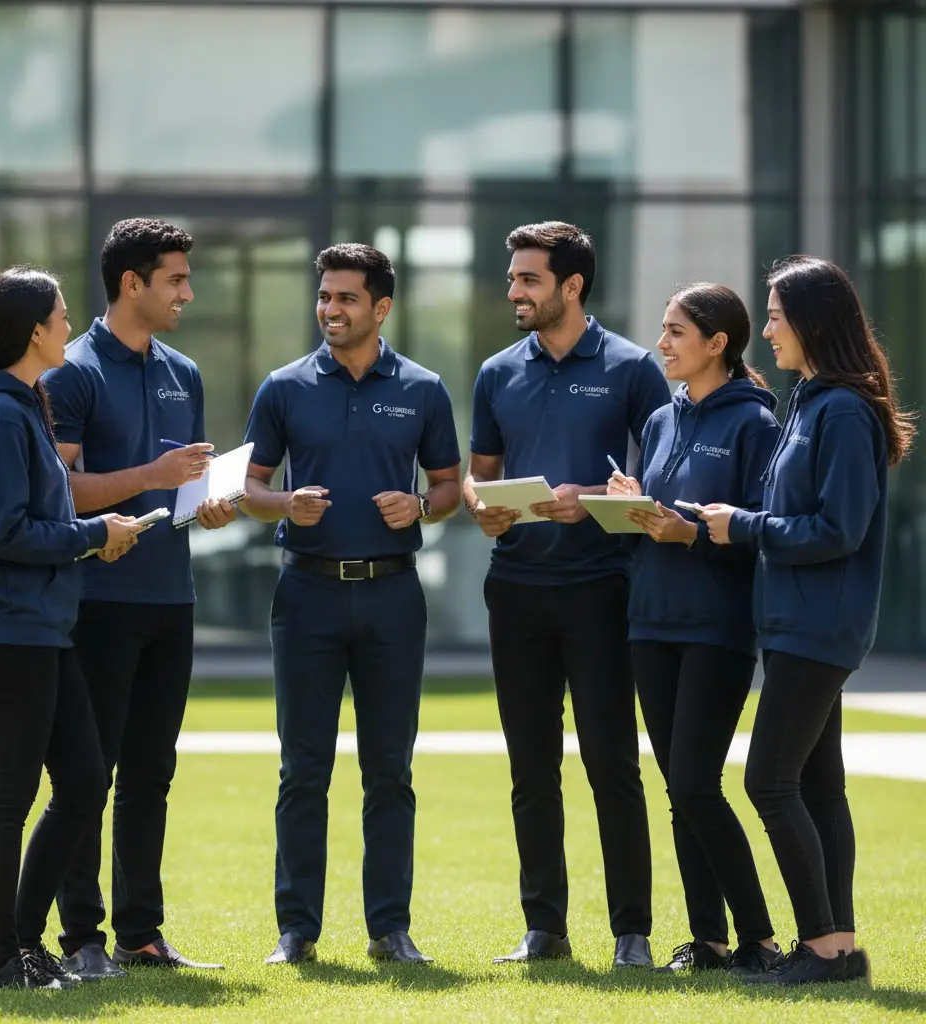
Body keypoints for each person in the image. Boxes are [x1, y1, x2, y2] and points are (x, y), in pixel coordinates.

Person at [242, 243, 462, 965]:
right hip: (305, 594)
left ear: (382, 307)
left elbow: (451, 487)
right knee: (303, 769)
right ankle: (296, 931)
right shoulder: (283, 387)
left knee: (390, 770)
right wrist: (286, 506)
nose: (330, 310)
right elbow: (251, 487)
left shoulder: (424, 389)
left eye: (346, 299)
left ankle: (389, 930)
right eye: (325, 297)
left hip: (395, 597)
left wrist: (423, 506)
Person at [700, 256, 915, 986]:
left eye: (777, 316)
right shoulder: (811, 401)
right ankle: (837, 947)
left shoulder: (845, 409)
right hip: (797, 624)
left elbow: (838, 529)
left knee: (769, 781)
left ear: (814, 323)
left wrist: (743, 527)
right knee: (819, 787)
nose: (766, 329)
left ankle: (822, 947)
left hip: (818, 627)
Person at [464, 221, 670, 967]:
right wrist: (480, 506)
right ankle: (544, 928)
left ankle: (632, 933)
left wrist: (600, 497)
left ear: (571, 286)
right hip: (515, 590)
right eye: (513, 277)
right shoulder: (496, 372)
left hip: (602, 590)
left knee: (611, 762)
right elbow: (478, 473)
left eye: (528, 279)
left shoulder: (633, 368)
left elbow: (664, 480)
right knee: (530, 768)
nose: (513, 290)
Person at [0, 268, 142, 989]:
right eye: (60, 317)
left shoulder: (25, 405)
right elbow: (4, 532)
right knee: (9, 798)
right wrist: (91, 535)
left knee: (85, 782)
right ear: (34, 330)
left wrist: (91, 533)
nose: (69, 326)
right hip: (9, 625)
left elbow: (33, 523)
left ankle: (23, 942)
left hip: (42, 626)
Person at [44, 219, 234, 980]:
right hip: (98, 600)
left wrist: (207, 501)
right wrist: (153, 475)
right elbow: (58, 489)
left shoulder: (183, 371)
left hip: (170, 598)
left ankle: (140, 933)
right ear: (132, 284)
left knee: (152, 772)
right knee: (90, 774)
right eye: (176, 280)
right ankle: (82, 939)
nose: (188, 292)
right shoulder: (73, 371)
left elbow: (181, 481)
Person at [605, 283, 783, 977]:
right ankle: (708, 941)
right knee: (679, 789)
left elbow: (762, 533)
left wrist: (690, 535)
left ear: (718, 343)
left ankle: (761, 941)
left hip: (717, 627)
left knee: (696, 783)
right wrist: (628, 514)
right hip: (650, 621)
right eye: (662, 328)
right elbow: (654, 529)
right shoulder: (659, 422)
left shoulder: (756, 427)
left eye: (677, 331)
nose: (662, 342)